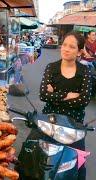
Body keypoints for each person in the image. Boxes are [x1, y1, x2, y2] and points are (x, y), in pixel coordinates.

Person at [40, 32, 93, 180]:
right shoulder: (51, 68)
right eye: (64, 45)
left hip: (73, 125)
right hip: (49, 121)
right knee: (34, 158)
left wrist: (55, 93)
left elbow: (83, 101)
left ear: (79, 51)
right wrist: (68, 95)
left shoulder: (85, 72)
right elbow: (43, 95)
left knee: (78, 166)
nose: (66, 49)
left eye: (72, 46)